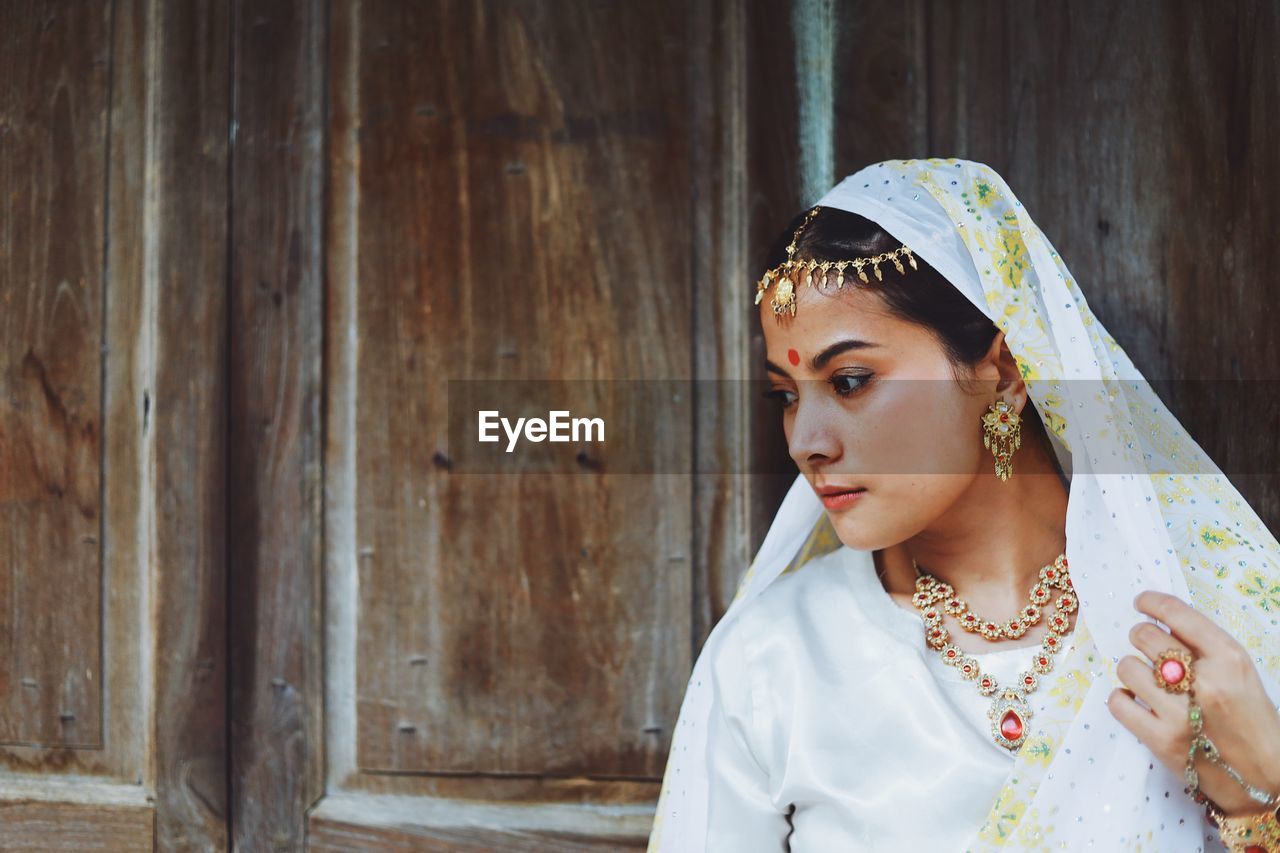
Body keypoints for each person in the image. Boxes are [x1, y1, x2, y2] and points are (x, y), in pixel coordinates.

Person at [646, 158, 1280, 851]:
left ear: (1002, 371)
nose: (806, 440)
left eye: (850, 380)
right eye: (786, 395)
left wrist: (1255, 794)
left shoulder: (1208, 629)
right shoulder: (771, 660)